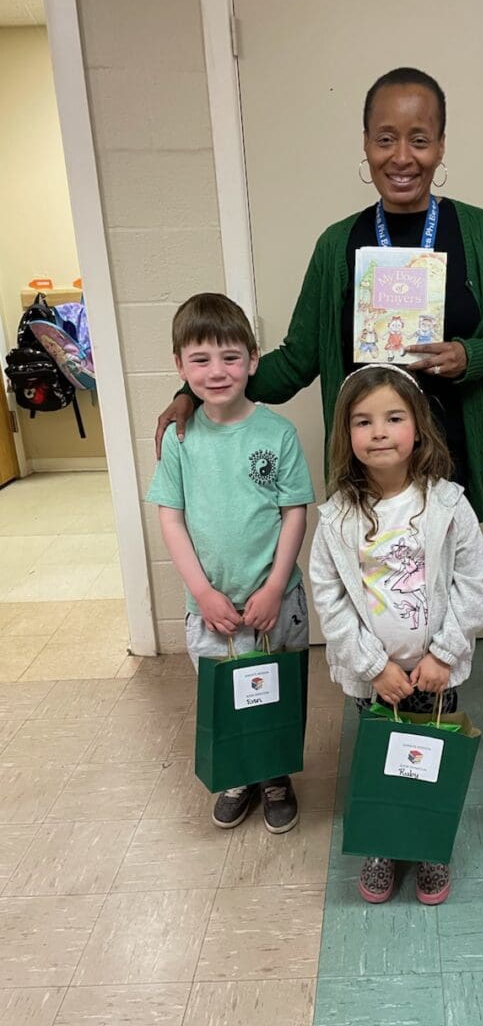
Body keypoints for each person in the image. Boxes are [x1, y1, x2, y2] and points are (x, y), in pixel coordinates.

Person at [155, 67, 483, 522]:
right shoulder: (337, 244)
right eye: (386, 139)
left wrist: (470, 356)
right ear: (366, 144)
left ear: (441, 145)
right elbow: (297, 359)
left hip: (451, 468)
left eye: (420, 140)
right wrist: (194, 390)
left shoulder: (478, 231)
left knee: (451, 592)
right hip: (364, 477)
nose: (402, 157)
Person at [309, 364, 483, 904]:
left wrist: (444, 654)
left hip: (435, 672)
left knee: (430, 757)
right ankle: (384, 842)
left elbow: (471, 583)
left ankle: (430, 842)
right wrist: (373, 667)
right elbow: (330, 599)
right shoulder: (337, 517)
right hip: (377, 678)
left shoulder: (449, 505)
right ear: (347, 435)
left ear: (418, 428)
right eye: (363, 422)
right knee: (383, 761)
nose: (380, 431)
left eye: (393, 418)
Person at [146, 293, 314, 833]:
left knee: (275, 688)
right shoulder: (180, 437)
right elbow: (171, 519)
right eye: (200, 360)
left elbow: (294, 514)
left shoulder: (277, 434)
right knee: (229, 693)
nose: (216, 372)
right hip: (212, 603)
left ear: (253, 359)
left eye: (230, 357)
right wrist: (201, 593)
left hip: (275, 600)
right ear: (179, 367)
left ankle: (274, 775)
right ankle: (239, 773)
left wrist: (272, 587)